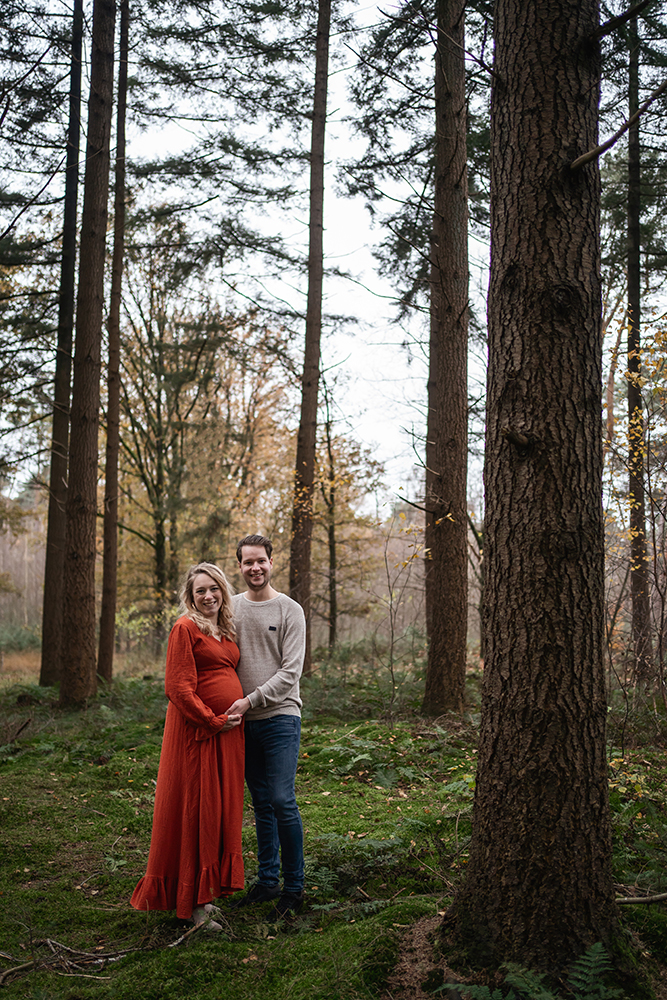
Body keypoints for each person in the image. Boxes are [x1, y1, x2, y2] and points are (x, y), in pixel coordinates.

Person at [131, 563, 245, 930]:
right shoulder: (185, 628)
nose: (208, 596)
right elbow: (177, 688)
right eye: (200, 591)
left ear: (223, 591)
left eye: (214, 588)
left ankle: (208, 894)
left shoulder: (225, 630)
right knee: (200, 811)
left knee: (221, 810)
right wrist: (212, 721)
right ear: (190, 597)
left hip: (227, 736)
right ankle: (193, 904)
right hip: (199, 735)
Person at [225, 534, 306, 917]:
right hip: (242, 724)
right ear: (239, 566)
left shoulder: (290, 610)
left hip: (280, 718)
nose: (255, 568)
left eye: (261, 561)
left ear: (271, 563)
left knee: (281, 799)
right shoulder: (230, 608)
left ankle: (294, 887)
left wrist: (251, 699)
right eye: (248, 562)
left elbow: (291, 672)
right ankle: (268, 881)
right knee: (260, 802)